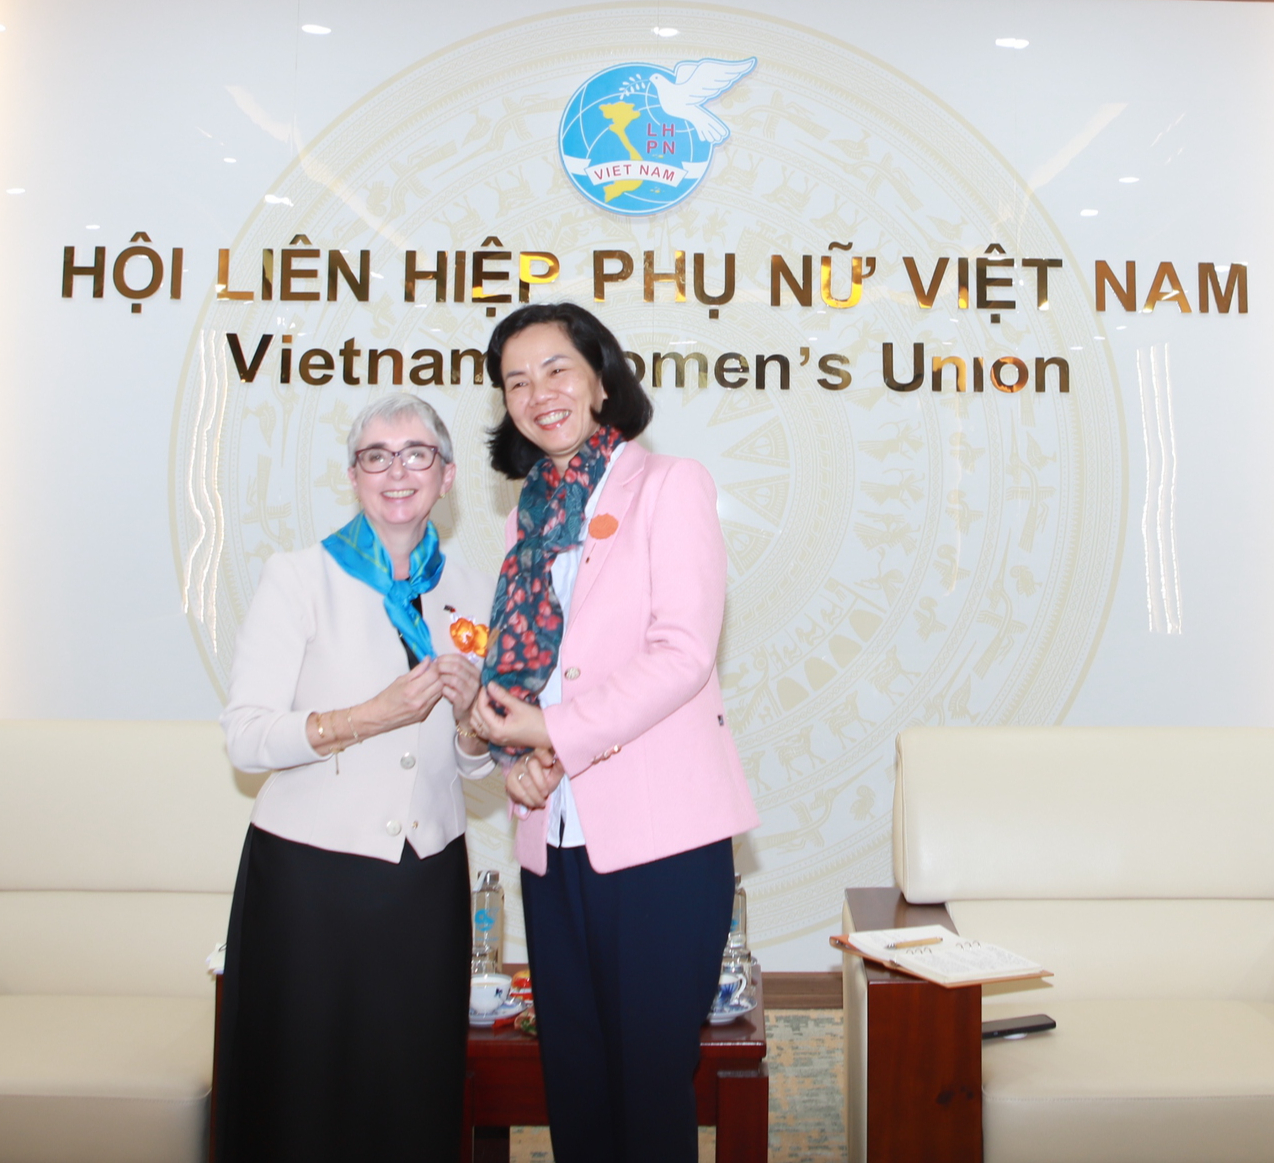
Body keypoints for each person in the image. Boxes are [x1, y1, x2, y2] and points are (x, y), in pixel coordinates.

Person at [469, 302, 759, 1163]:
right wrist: (521, 752)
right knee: (576, 1082)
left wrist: (553, 731)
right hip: (553, 834)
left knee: (649, 1086)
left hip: (661, 836)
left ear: (601, 380)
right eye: (516, 381)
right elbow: (537, 669)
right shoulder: (529, 516)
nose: (538, 393)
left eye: (556, 368)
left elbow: (682, 654)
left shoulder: (669, 484)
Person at [216, 394, 494, 1162]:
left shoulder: (474, 592)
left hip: (427, 881)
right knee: (301, 1094)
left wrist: (474, 722)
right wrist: (368, 716)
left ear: (446, 475)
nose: (396, 471)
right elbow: (247, 737)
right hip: (309, 882)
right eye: (377, 455)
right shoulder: (298, 577)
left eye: (416, 454)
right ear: (353, 475)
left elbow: (473, 763)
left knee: (411, 1090)